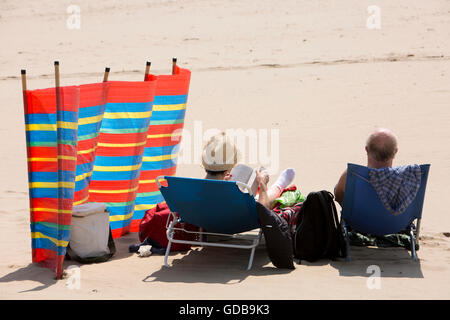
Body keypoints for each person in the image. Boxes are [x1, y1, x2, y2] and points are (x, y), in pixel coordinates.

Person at [202, 132, 295, 209]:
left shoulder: (194, 188)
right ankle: (279, 185)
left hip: (207, 223)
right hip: (234, 223)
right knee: (260, 198)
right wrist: (262, 184)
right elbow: (263, 211)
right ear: (229, 167)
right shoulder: (232, 192)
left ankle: (277, 186)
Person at [334, 128, 398, 205]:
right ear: (395, 151)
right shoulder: (407, 180)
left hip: (357, 216)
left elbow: (338, 197)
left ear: (367, 150)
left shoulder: (350, 175)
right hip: (392, 217)